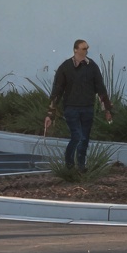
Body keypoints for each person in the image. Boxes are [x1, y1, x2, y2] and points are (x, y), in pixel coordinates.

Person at [47, 39, 110, 172]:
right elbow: (57, 90)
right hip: (71, 107)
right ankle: (69, 165)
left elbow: (100, 88)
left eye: (87, 48)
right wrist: (50, 113)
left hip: (87, 107)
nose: (86, 51)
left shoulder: (92, 66)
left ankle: (81, 166)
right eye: (83, 48)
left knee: (84, 138)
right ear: (75, 49)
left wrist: (107, 109)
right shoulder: (65, 67)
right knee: (77, 136)